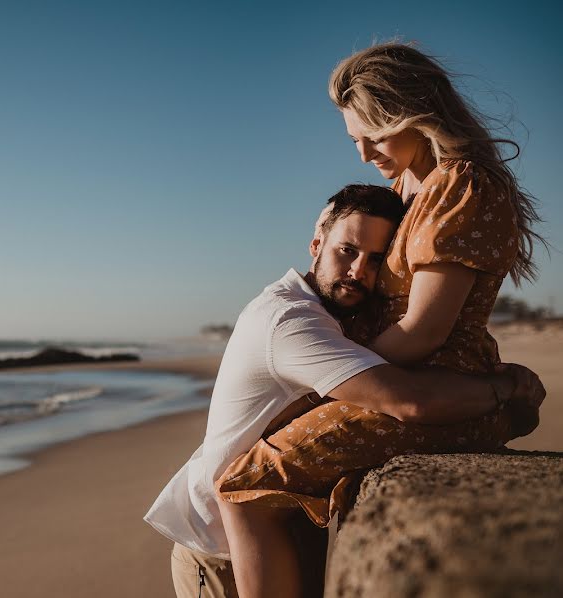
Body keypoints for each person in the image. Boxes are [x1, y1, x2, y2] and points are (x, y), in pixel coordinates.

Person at [216, 42, 547, 597]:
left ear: (420, 114)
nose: (366, 152)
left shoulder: (458, 185)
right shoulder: (403, 190)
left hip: (437, 385)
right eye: (355, 139)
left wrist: (334, 387)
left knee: (246, 482)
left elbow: (424, 331)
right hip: (408, 379)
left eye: (379, 133)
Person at [143, 184, 543, 598]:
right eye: (347, 251)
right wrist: (507, 386)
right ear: (317, 244)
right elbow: (408, 400)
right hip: (218, 552)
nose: (358, 272)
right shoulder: (291, 321)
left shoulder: (336, 317)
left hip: (285, 520)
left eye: (375, 260)